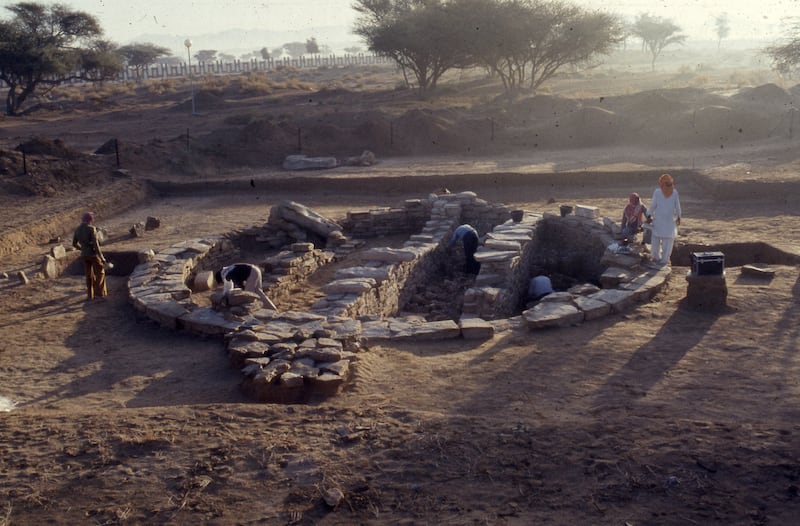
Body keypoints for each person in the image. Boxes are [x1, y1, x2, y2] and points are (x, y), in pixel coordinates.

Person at [646, 173, 682, 267]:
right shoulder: (669, 192)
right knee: (666, 241)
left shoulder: (666, 192)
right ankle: (663, 259)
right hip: (665, 221)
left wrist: (649, 214)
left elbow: (652, 205)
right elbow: (677, 207)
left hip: (663, 221)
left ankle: (658, 258)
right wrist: (679, 216)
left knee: (658, 240)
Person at [72, 211, 107, 300]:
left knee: (89, 275)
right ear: (90, 220)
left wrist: (82, 249)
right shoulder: (91, 229)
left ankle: (90, 295)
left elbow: (74, 244)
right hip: (93, 255)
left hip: (84, 255)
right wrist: (101, 257)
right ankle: (99, 294)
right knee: (100, 272)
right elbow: (96, 245)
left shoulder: (77, 229)